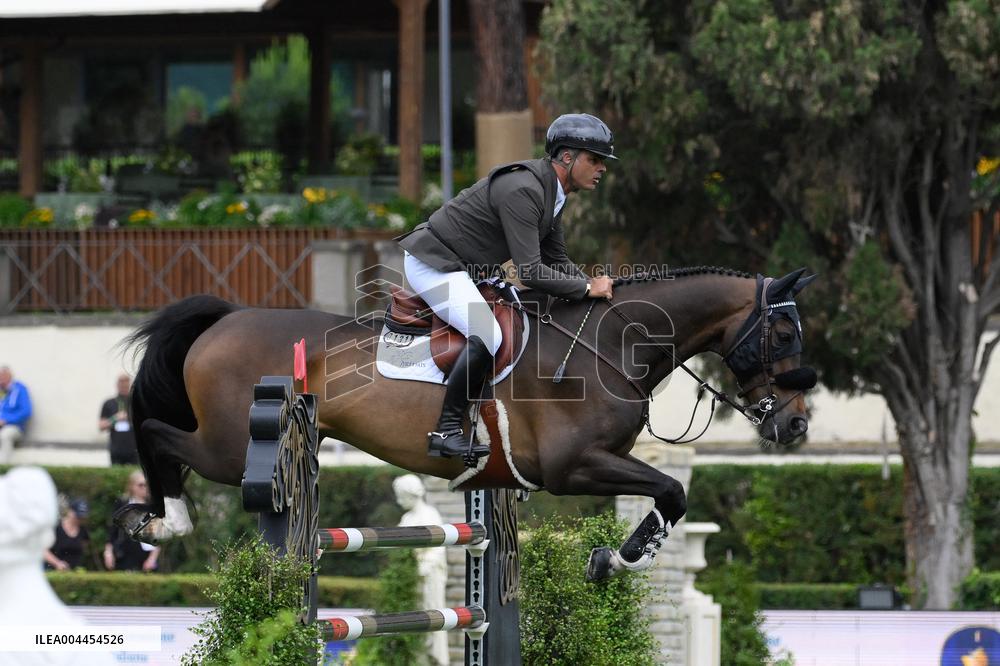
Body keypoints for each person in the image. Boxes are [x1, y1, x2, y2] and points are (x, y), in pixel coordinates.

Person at [396, 113, 616, 459]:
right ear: (567, 157)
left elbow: (557, 261)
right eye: (595, 159)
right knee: (488, 335)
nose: (601, 168)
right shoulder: (525, 189)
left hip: (466, 269)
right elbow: (529, 271)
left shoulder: (552, 194)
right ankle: (446, 430)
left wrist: (591, 288)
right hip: (434, 264)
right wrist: (587, 289)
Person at [393, 474, 449, 666]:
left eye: (400, 495)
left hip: (428, 576)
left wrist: (425, 566)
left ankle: (434, 659)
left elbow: (439, 547)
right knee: (411, 620)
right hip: (410, 577)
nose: (398, 500)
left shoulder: (430, 514)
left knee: (431, 617)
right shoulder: (406, 518)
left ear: (410, 495)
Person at [104, 471, 160, 572]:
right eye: (141, 485)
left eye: (147, 485)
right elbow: (113, 530)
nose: (145, 488)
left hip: (146, 553)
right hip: (126, 552)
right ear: (132, 486)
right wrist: (108, 552)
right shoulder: (123, 504)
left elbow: (159, 535)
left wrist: (152, 558)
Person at [99, 374, 138, 465]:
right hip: (116, 449)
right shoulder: (109, 403)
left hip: (135, 449)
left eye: (126, 384)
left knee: (135, 476)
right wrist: (115, 418)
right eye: (121, 383)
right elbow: (101, 426)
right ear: (117, 385)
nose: (124, 386)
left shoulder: (136, 402)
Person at [44, 496, 91, 571]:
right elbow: (43, 550)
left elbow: (83, 548)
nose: (80, 519)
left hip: (75, 572)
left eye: (82, 517)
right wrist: (57, 563)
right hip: (52, 571)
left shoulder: (83, 531)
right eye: (77, 516)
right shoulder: (56, 528)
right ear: (70, 511)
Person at [0, 365, 33, 464]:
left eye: (2, 377)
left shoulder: (20, 389)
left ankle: (2, 466)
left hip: (14, 427)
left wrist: (6, 420)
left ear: (9, 376)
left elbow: (26, 411)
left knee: (5, 435)